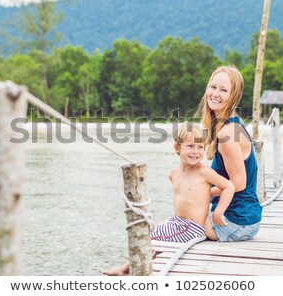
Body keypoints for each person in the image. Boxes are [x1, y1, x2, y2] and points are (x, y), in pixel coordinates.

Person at [102, 123, 235, 275]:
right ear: (177, 148)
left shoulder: (204, 172)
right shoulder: (173, 174)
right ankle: (136, 266)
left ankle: (125, 269)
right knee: (153, 228)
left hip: (192, 228)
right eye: (190, 146)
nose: (196, 151)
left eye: (200, 147)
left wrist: (218, 212)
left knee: (151, 236)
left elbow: (228, 187)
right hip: (178, 222)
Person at [197, 65, 262, 242]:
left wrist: (203, 193)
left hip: (236, 222)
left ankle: (131, 270)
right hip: (242, 218)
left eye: (224, 90)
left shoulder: (228, 133)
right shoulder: (230, 125)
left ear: (234, 97)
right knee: (171, 224)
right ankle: (129, 269)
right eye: (213, 87)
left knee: (173, 225)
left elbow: (239, 184)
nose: (215, 93)